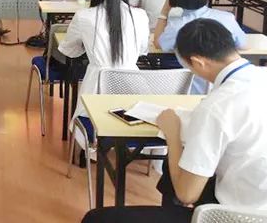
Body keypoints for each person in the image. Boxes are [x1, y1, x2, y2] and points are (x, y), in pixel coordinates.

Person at [82, 19, 267, 223]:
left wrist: (172, 134)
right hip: (257, 201)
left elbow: (187, 195)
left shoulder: (216, 107)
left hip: (236, 217)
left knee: (95, 219)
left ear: (198, 62)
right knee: (172, 175)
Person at [59, 0, 149, 120]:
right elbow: (143, 50)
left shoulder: (84, 16)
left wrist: (89, 48)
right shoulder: (140, 16)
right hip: (133, 95)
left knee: (90, 121)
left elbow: (69, 50)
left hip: (96, 93)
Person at [154, 0, 246, 94]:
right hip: (227, 88)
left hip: (193, 92)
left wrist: (164, 12)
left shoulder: (177, 26)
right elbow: (243, 44)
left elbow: (158, 43)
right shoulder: (227, 18)